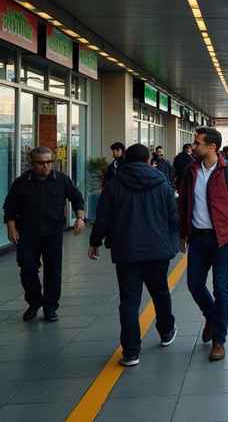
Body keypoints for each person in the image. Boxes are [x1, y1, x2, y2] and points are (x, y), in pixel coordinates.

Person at [88, 144, 178, 366]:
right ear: (148, 160)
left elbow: (103, 217)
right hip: (157, 250)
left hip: (126, 251)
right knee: (160, 292)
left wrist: (95, 242)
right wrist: (173, 240)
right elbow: (173, 216)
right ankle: (166, 331)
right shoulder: (162, 183)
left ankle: (131, 352)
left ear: (126, 160)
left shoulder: (114, 185)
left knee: (129, 300)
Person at [178, 127, 228, 361]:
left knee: (221, 288)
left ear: (212, 146)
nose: (193, 147)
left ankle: (219, 340)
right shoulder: (191, 171)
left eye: (197, 143)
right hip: (198, 238)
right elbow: (184, 204)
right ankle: (212, 317)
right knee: (194, 285)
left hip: (223, 239)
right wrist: (182, 234)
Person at [3, 146, 85, 322]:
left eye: (49, 162)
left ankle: (50, 307)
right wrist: (11, 227)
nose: (45, 166)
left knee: (53, 271)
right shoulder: (21, 182)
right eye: (40, 163)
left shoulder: (62, 180)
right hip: (27, 233)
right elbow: (10, 207)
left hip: (53, 233)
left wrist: (80, 218)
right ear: (32, 163)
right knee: (27, 269)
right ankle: (34, 302)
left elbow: (77, 198)